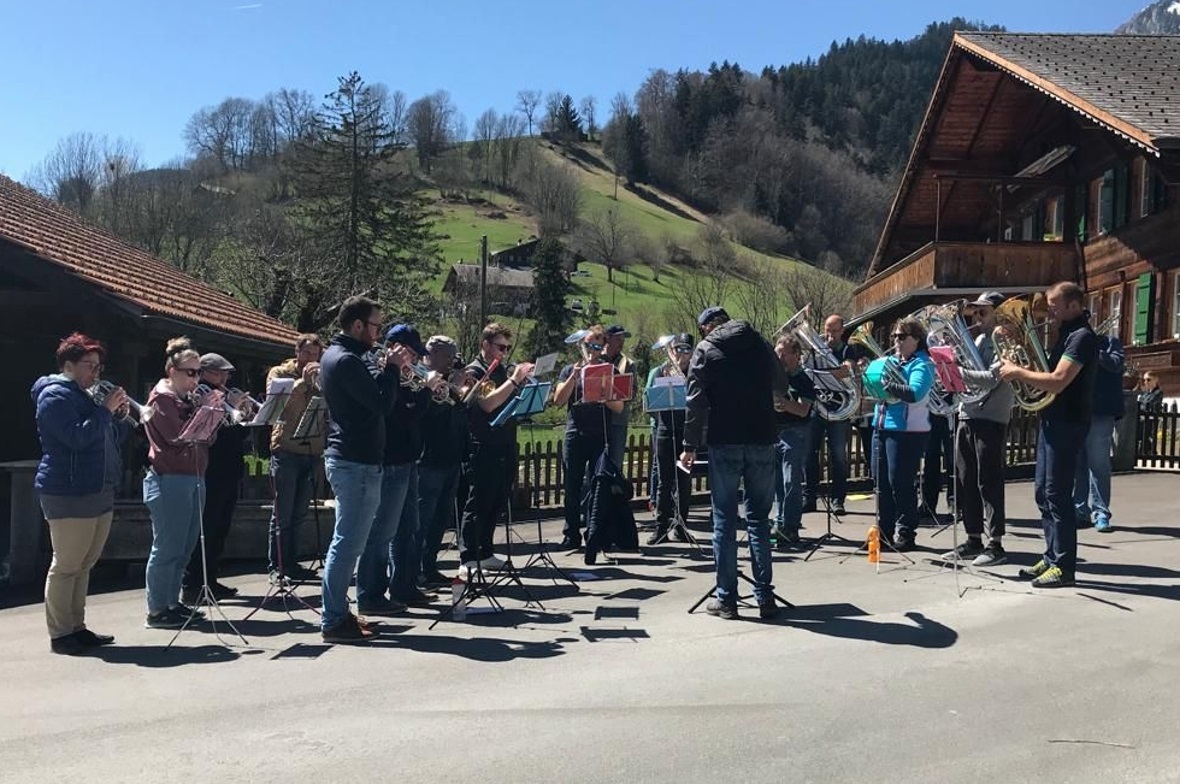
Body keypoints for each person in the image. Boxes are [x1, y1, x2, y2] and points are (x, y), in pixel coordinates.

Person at [681, 306, 787, 621]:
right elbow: (781, 385)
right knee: (759, 520)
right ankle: (765, 597)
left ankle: (727, 599)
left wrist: (689, 445)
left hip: (724, 439)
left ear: (708, 327)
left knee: (724, 522)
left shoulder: (706, 348)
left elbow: (695, 400)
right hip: (762, 437)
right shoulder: (760, 343)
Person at [32, 333, 130, 654]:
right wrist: (104, 410)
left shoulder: (87, 396)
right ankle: (60, 634)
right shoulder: (54, 396)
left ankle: (77, 626)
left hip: (98, 488)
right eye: (89, 366)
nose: (95, 373)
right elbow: (76, 438)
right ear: (69, 365)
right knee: (67, 564)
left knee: (85, 563)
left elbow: (108, 440)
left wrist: (118, 417)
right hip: (68, 490)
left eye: (98, 367)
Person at [318, 296, 408, 643]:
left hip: (358, 461)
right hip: (354, 463)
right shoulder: (346, 361)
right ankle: (333, 619)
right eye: (375, 326)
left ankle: (339, 612)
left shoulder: (343, 356)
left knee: (349, 543)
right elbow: (382, 404)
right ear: (357, 326)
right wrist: (392, 369)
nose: (378, 333)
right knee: (347, 544)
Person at [1000, 281, 1097, 588]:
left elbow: (1057, 380)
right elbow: (1044, 370)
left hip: (1068, 422)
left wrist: (1016, 372)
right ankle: (1052, 554)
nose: (1049, 311)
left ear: (1073, 305)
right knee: (1043, 492)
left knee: (1057, 494)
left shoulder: (1082, 337)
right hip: (1053, 419)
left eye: (1054, 305)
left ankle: (1064, 566)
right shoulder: (1067, 333)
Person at [356, 324, 440, 614]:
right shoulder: (383, 374)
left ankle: (404, 586)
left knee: (408, 529)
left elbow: (415, 412)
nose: (416, 360)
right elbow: (404, 414)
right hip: (389, 462)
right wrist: (426, 390)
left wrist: (424, 389)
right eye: (413, 354)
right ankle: (370, 595)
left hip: (408, 460)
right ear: (398, 349)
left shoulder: (404, 377)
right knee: (381, 533)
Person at [142, 337, 215, 629]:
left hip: (193, 475)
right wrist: (204, 411)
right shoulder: (162, 398)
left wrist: (214, 414)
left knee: (185, 546)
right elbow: (177, 437)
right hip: (168, 478)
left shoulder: (187, 399)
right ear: (172, 370)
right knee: (168, 546)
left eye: (198, 372)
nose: (195, 379)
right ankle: (157, 609)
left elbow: (207, 438)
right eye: (190, 372)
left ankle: (172, 602)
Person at [943, 291, 1014, 566]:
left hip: (991, 417)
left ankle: (995, 543)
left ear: (998, 312)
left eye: (983, 312)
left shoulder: (1005, 340)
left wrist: (956, 370)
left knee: (989, 481)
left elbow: (990, 380)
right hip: (967, 414)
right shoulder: (980, 339)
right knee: (966, 480)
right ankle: (973, 538)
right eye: (975, 313)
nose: (977, 318)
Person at [459, 323, 534, 577]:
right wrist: (515, 380)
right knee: (478, 500)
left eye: (507, 348)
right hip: (482, 443)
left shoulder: (501, 370)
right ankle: (469, 555)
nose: (504, 352)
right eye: (500, 347)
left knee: (497, 499)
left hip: (504, 441)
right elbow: (488, 403)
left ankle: (486, 550)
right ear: (485, 345)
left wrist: (523, 385)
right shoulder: (475, 371)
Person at [182, 352, 254, 603]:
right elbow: (205, 431)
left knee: (221, 527)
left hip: (229, 466)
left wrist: (241, 411)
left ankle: (211, 578)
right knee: (207, 525)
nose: (225, 377)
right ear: (206, 372)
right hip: (211, 467)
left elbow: (238, 435)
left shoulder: (226, 395)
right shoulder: (202, 393)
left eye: (227, 373)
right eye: (220, 373)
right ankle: (193, 583)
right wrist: (223, 405)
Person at [552, 325, 624, 549]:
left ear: (603, 348)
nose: (592, 350)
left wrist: (604, 395)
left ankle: (594, 532)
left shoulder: (611, 370)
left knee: (597, 485)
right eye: (588, 345)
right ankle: (570, 533)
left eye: (596, 346)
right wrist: (574, 377)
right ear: (581, 346)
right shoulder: (568, 370)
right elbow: (558, 401)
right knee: (572, 485)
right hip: (575, 432)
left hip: (599, 434)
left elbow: (619, 407)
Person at [870, 317, 935, 551]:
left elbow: (916, 393)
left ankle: (906, 532)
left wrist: (889, 386)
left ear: (916, 339)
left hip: (908, 431)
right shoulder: (893, 362)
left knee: (900, 482)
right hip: (882, 426)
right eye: (894, 336)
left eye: (901, 336)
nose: (895, 341)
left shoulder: (923, 363)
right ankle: (884, 532)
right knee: (881, 483)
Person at [265, 333, 325, 582]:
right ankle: (276, 566)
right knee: (283, 513)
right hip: (286, 449)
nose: (312, 359)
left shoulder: (322, 377)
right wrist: (303, 382)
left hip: (311, 449)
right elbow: (280, 407)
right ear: (297, 351)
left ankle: (293, 563)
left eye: (316, 355)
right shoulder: (279, 373)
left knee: (300, 513)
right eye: (308, 353)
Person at [416, 335, 469, 588]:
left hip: (451, 455)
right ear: (432, 354)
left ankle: (429, 566)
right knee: (423, 518)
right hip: (429, 457)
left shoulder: (448, 379)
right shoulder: (422, 378)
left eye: (453, 356)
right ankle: (415, 571)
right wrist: (455, 390)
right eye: (448, 356)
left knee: (440, 518)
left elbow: (460, 411)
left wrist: (462, 389)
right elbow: (432, 413)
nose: (452, 362)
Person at [643, 332, 694, 545]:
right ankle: (660, 527)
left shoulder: (694, 373)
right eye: (678, 349)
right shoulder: (660, 372)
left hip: (685, 431)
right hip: (665, 429)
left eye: (686, 350)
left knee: (684, 480)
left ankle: (681, 526)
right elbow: (649, 402)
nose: (681, 354)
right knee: (664, 481)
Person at [804, 313, 857, 515]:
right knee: (809, 454)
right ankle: (809, 497)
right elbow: (805, 371)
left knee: (839, 457)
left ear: (842, 331)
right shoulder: (814, 348)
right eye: (828, 329)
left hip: (839, 409)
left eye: (835, 330)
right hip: (817, 407)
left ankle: (838, 500)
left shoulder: (847, 349)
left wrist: (831, 372)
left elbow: (847, 371)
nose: (830, 334)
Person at [1073, 327, 1125, 533]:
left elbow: (1116, 364)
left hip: (1101, 411)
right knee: (1078, 465)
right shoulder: (1074, 344)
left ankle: (1101, 512)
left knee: (1098, 464)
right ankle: (1080, 511)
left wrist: (1094, 350)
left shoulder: (1110, 342)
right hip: (1078, 411)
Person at [772, 333, 815, 548]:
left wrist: (783, 404)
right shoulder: (773, 376)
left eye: (783, 354)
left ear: (796, 355)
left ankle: (791, 526)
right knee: (776, 482)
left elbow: (803, 410)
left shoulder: (803, 380)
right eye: (777, 353)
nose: (779, 358)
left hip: (795, 432)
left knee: (791, 481)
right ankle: (779, 524)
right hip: (773, 432)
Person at [603, 325, 634, 471]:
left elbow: (632, 392)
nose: (621, 342)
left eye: (623, 339)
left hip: (617, 420)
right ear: (607, 338)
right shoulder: (597, 359)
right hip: (596, 420)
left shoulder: (628, 364)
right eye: (617, 338)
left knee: (615, 463)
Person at [918, 392, 954, 522]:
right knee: (930, 458)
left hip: (953, 406)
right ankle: (928, 504)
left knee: (953, 460)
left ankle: (955, 504)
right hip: (931, 409)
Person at [1137, 371, 1163, 455]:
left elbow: (1150, 403)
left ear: (1155, 380)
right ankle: (1144, 451)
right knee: (1140, 436)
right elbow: (1141, 403)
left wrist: (1141, 401)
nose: (1146, 382)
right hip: (1142, 419)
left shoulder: (1158, 392)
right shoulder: (1145, 393)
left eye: (1148, 380)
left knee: (1147, 436)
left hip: (1151, 419)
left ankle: (1150, 451)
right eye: (1144, 380)